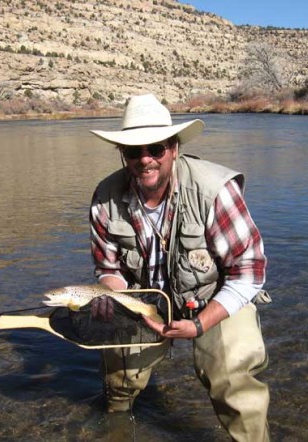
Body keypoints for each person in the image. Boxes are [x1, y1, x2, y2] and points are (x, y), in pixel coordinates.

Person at [89, 93, 271, 441]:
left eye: (155, 149)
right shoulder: (105, 197)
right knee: (120, 380)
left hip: (215, 297)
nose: (145, 159)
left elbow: (248, 271)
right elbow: (107, 268)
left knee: (234, 381)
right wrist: (112, 296)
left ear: (174, 148)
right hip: (143, 302)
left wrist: (200, 324)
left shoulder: (215, 190)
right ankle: (116, 428)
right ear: (122, 154)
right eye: (133, 151)